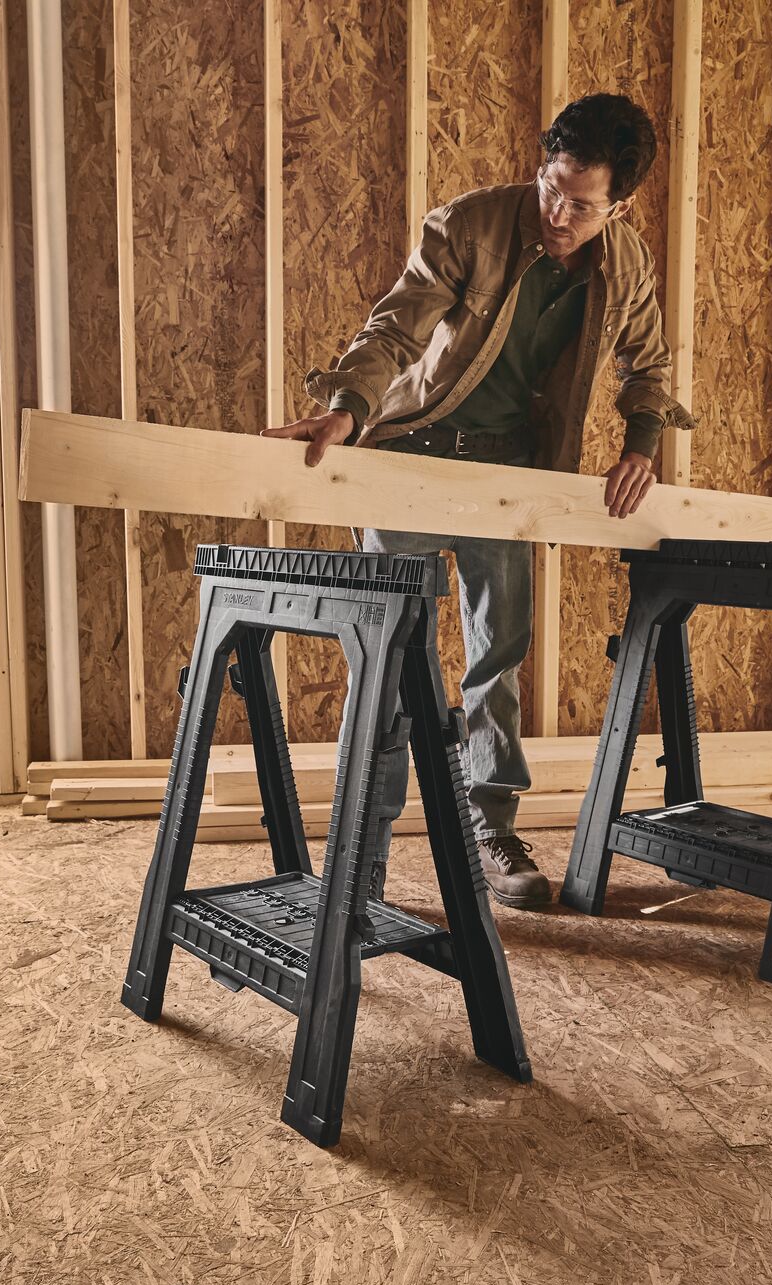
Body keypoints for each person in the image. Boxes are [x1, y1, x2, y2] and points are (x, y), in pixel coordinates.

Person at [261, 94, 693, 909]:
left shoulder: (626, 263)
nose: (560, 214)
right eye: (552, 188)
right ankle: (367, 848)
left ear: (621, 206)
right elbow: (394, 327)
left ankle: (489, 825)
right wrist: (349, 407)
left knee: (499, 655)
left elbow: (650, 366)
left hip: (512, 477)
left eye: (584, 205)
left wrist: (641, 443)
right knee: (388, 660)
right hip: (416, 458)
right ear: (543, 166)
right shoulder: (471, 224)